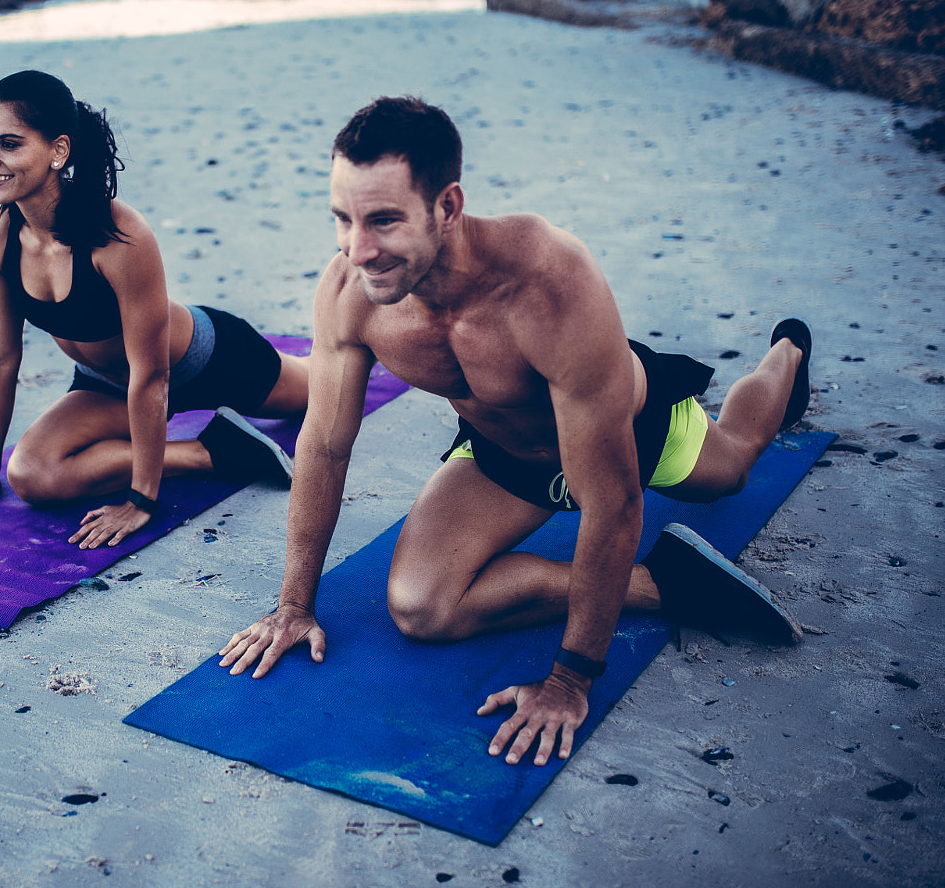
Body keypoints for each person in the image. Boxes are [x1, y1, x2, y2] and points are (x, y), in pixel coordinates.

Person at [218, 96, 813, 767]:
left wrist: (570, 678)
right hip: (503, 453)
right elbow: (324, 446)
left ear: (446, 207)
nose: (359, 250)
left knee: (731, 467)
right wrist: (293, 605)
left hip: (626, 426)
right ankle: (663, 584)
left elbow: (614, 502)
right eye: (343, 219)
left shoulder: (547, 286)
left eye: (383, 221)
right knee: (420, 608)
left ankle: (786, 357)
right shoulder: (351, 293)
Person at [0, 70, 308, 548]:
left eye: (9, 144)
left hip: (205, 361)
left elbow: (153, 376)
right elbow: (1, 355)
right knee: (31, 475)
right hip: (105, 382)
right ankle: (215, 452)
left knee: (325, 387)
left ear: (58, 151)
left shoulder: (118, 235)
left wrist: (141, 499)